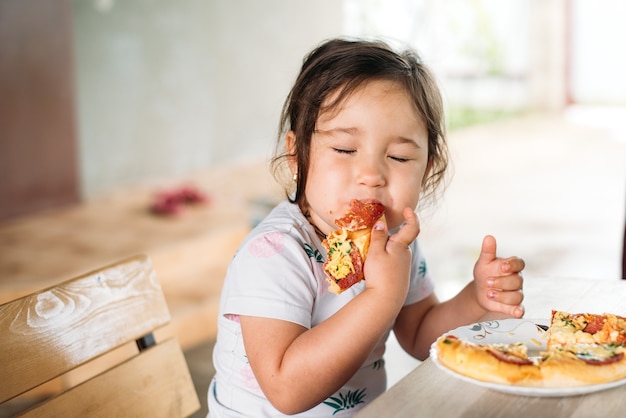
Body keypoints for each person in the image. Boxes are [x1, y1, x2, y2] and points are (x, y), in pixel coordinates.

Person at [207, 38, 525, 417]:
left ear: (427, 168)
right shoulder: (274, 253)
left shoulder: (392, 243)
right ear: (297, 155)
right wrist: (381, 296)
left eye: (399, 156)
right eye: (344, 149)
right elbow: (286, 389)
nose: (372, 175)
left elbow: (421, 334)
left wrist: (475, 299)